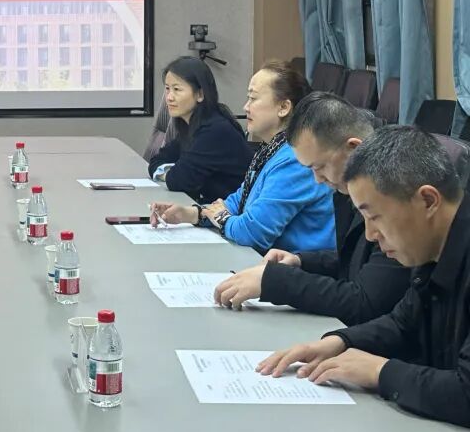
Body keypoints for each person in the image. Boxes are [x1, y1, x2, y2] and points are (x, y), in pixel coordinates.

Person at [259, 126, 470, 428]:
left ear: (427, 200)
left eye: (374, 217)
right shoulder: (431, 248)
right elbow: (403, 323)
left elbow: (466, 393)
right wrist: (341, 341)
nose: (370, 235)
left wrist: (380, 372)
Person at [213, 92, 410, 322]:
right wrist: (301, 261)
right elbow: (355, 261)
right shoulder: (346, 187)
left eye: (320, 167)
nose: (317, 179)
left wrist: (275, 282)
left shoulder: (394, 192)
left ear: (353, 149)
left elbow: (364, 302)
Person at [151, 61, 334, 254]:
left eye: (253, 99)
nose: (246, 107)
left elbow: (252, 232)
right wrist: (190, 214)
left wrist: (221, 217)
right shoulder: (270, 149)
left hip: (293, 265)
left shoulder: (295, 159)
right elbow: (236, 202)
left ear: (283, 107)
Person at [146, 57, 252, 203]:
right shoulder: (191, 124)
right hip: (210, 207)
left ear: (200, 94)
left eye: (177, 89)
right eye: (167, 88)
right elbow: (156, 161)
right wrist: (171, 173)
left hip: (232, 211)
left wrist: (169, 173)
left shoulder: (214, 131)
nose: (169, 97)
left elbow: (178, 180)